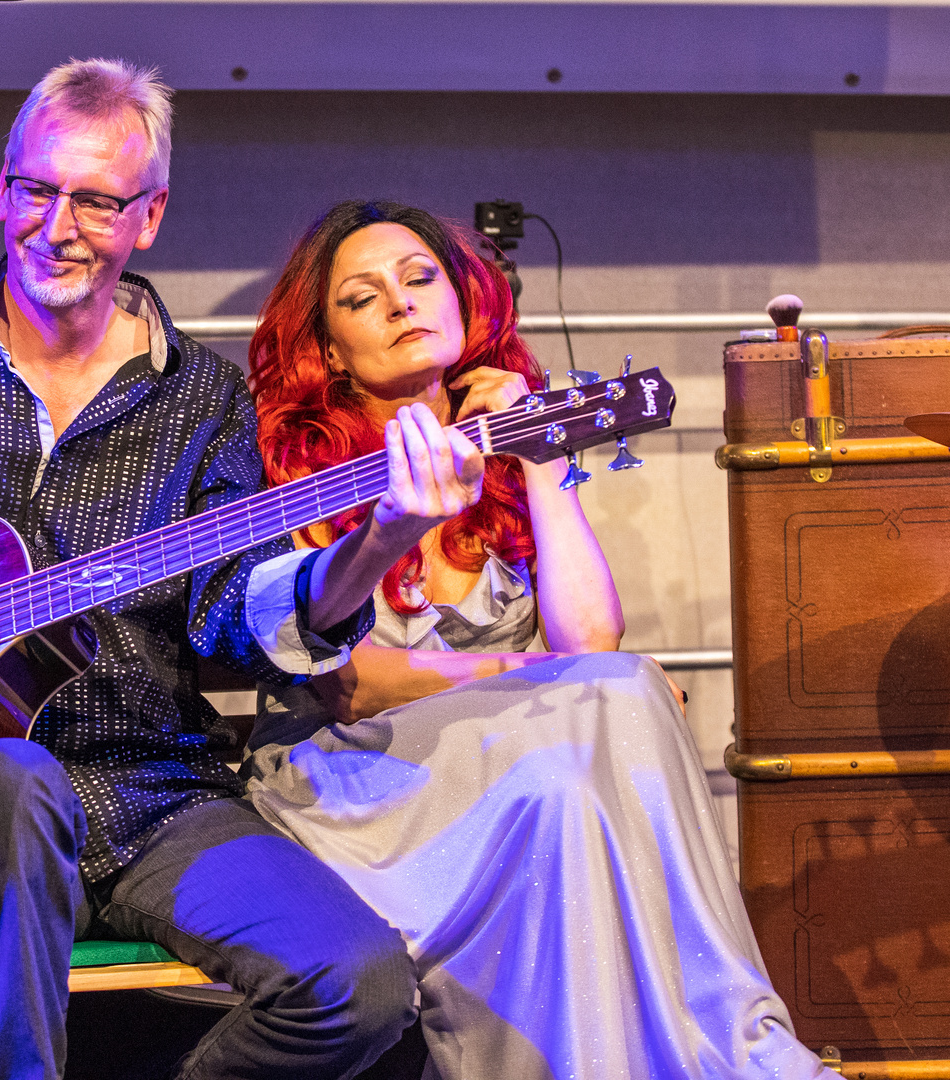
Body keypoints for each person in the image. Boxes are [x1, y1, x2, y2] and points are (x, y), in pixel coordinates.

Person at [0, 64, 496, 1080]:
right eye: (35, 190)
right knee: (11, 778)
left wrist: (379, 538)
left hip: (149, 793)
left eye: (96, 201)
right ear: (2, 193)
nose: (57, 226)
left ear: (146, 217)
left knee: (358, 984)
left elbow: (237, 621)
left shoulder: (200, 399)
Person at [244, 200, 838, 1080]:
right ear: (329, 349)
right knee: (578, 747)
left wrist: (539, 455)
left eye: (419, 280)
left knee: (586, 742)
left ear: (461, 300)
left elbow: (593, 636)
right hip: (360, 781)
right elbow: (358, 685)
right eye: (363, 298)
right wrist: (548, 676)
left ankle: (715, 1040)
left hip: (518, 770)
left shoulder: (509, 455)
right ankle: (736, 1056)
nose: (402, 304)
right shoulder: (294, 470)